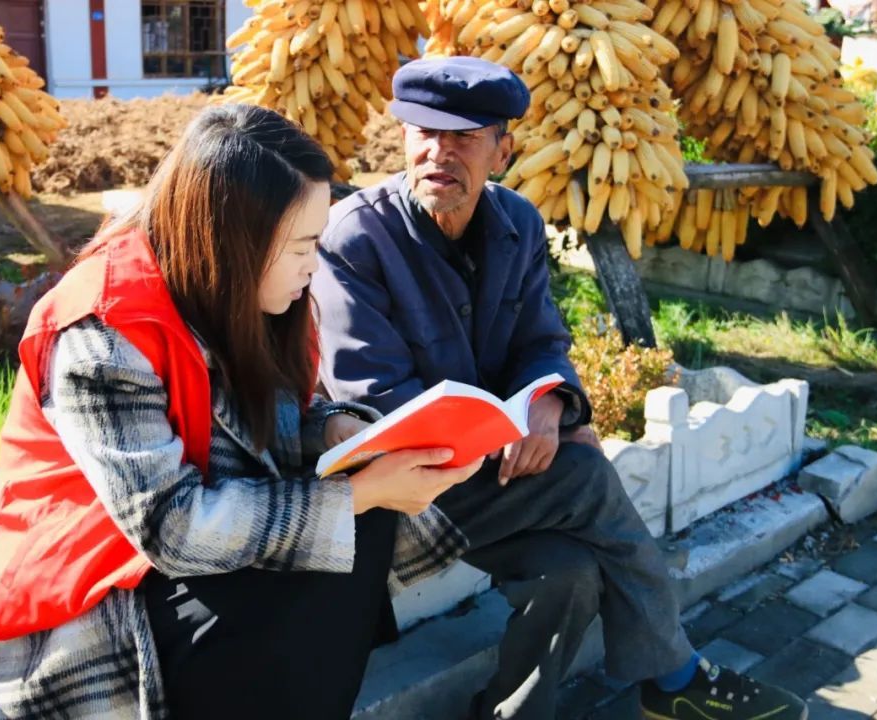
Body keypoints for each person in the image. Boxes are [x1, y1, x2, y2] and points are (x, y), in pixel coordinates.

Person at [0, 103, 483, 720]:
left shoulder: (232, 290)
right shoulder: (103, 332)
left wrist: (332, 429)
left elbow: (254, 421)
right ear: (236, 241)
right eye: (303, 245)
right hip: (89, 584)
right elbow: (171, 527)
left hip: (180, 542)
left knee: (360, 533)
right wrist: (356, 494)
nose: (316, 264)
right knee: (313, 567)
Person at [312, 56, 809, 720]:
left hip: (497, 484)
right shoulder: (356, 239)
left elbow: (541, 342)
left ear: (503, 149)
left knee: (567, 574)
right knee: (583, 473)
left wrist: (548, 402)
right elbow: (375, 399)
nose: (439, 152)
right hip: (405, 492)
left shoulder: (517, 224)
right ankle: (675, 677)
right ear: (403, 137)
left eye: (464, 137)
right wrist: (509, 432)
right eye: (423, 133)